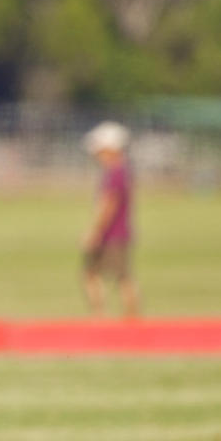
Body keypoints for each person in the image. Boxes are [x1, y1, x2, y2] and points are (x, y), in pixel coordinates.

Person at [81, 121, 140, 318]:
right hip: (119, 232)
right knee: (118, 275)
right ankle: (124, 317)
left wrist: (95, 231)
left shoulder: (115, 173)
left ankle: (106, 317)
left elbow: (109, 204)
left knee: (113, 276)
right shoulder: (123, 171)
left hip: (112, 233)